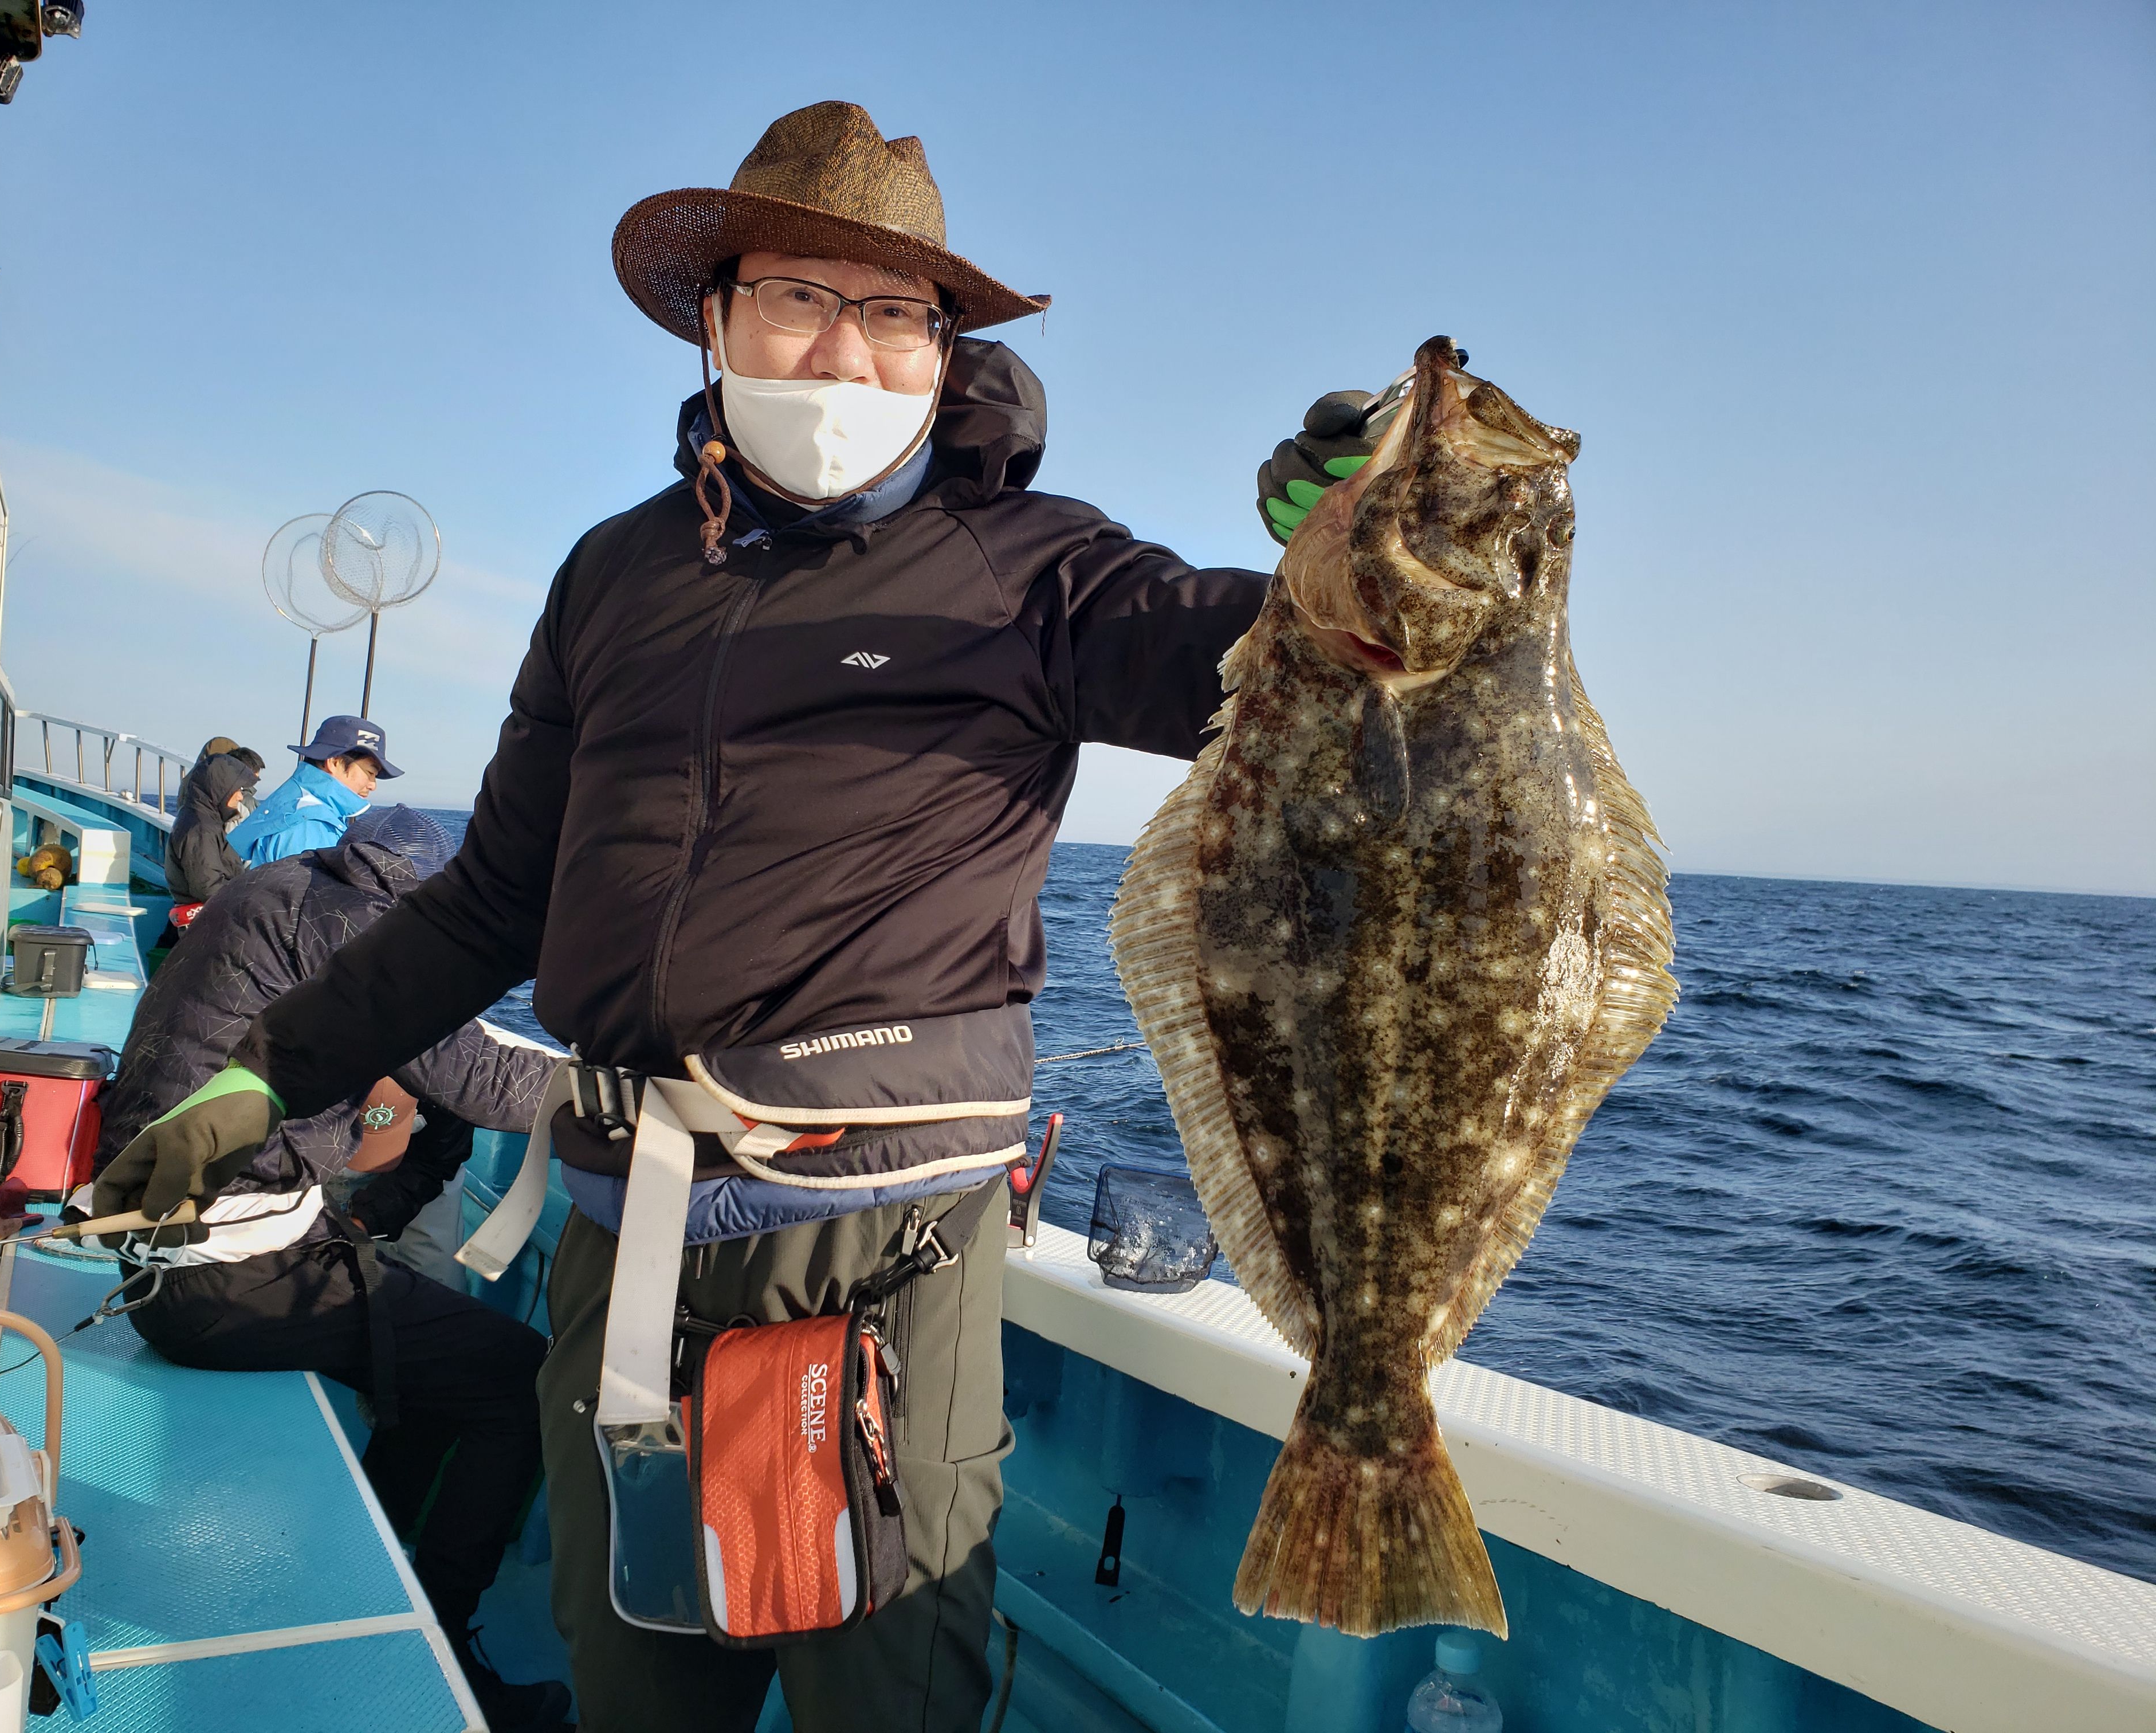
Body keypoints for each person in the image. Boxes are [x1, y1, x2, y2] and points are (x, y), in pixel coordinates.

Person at [93, 102, 1382, 1733]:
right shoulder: (611, 577)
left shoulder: (1045, 573)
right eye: (797, 298)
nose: (844, 350)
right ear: (715, 319)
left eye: (895, 311)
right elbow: (493, 895)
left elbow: (1333, 685)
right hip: (618, 1239)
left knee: (884, 1704)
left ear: (944, 351)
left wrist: (1361, 550)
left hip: (882, 1255)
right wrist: (269, 1073)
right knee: (635, 1691)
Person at [90, 805, 573, 1732]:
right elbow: (484, 1078)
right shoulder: (357, 926)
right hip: (223, 1275)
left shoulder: (281, 886)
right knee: (520, 1377)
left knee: (446, 1365)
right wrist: (630, 1093)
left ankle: (386, 1555)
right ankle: (444, 1641)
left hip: (178, 1249)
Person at [234, 715, 398, 866]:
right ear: (335, 763)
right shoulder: (310, 825)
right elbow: (306, 888)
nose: (373, 785)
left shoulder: (299, 806)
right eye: (370, 773)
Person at [164, 746, 261, 905]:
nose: (240, 797)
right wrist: (246, 902)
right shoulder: (201, 830)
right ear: (221, 789)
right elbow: (207, 888)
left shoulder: (206, 819)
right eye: (237, 790)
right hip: (206, 913)